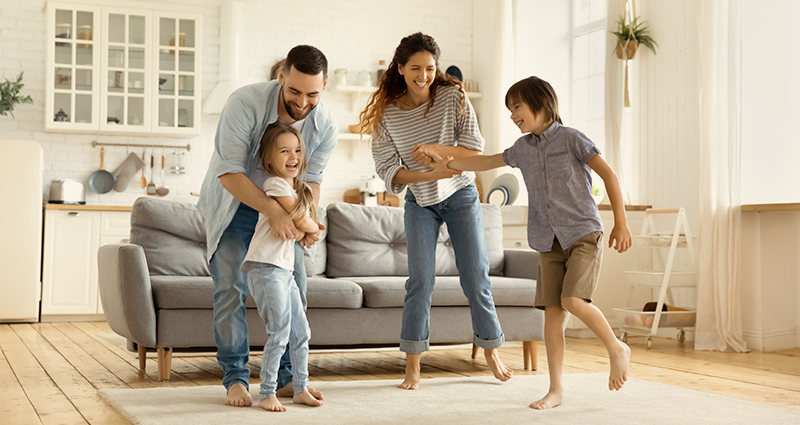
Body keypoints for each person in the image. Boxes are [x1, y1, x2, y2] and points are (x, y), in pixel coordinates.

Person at [443, 76, 633, 410]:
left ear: (541, 103)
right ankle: (556, 389)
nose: (513, 114)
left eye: (517, 106)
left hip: (582, 233)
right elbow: (487, 161)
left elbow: (609, 176)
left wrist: (621, 221)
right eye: (509, 109)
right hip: (548, 241)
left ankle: (616, 348)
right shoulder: (522, 150)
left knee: (573, 301)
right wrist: (449, 164)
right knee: (552, 317)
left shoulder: (572, 139)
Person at [359, 32, 514, 391]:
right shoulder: (387, 114)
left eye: (430, 68)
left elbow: (474, 147)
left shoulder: (453, 96)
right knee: (420, 282)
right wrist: (430, 172)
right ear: (400, 68)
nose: (424, 75)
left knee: (476, 277)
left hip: (460, 195)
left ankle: (491, 350)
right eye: (415, 68)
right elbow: (388, 170)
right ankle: (412, 365)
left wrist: (433, 149)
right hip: (420, 201)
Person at [197, 45, 337, 407]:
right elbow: (229, 171)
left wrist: (303, 220)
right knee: (230, 290)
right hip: (236, 205)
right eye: (294, 91)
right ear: (281, 78)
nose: (302, 102)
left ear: (325, 86)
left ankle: (289, 379)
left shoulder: (324, 125)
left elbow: (313, 181)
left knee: (296, 293)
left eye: (312, 94)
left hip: (287, 209)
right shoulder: (244, 103)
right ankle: (236, 379)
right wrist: (274, 212)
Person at [242, 122, 322, 411]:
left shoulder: (295, 188)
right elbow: (303, 220)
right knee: (280, 331)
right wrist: (311, 228)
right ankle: (267, 392)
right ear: (269, 159)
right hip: (265, 268)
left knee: (301, 331)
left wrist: (308, 228)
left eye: (297, 150)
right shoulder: (274, 184)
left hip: (284, 270)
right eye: (284, 150)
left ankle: (300, 387)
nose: (293, 156)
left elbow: (303, 223)